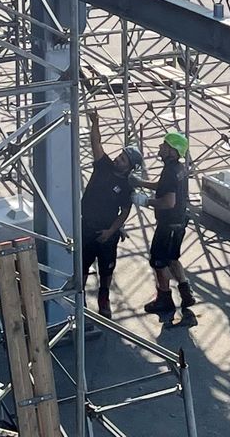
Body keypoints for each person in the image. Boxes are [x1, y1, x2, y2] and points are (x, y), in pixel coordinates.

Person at [80, 109, 142, 318]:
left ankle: (103, 298)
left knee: (106, 269)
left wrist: (111, 231)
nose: (118, 159)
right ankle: (79, 298)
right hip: (87, 226)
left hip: (106, 231)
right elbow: (96, 143)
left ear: (129, 168)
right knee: (81, 265)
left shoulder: (126, 187)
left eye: (123, 160)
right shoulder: (104, 166)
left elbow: (124, 212)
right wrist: (95, 121)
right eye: (119, 156)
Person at [136, 131, 195, 314]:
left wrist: (145, 201)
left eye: (165, 145)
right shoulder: (178, 169)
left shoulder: (170, 171)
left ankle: (164, 299)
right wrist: (140, 183)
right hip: (179, 223)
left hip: (167, 225)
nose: (161, 147)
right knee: (172, 258)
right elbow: (163, 186)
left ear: (172, 151)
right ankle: (186, 293)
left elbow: (169, 202)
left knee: (158, 262)